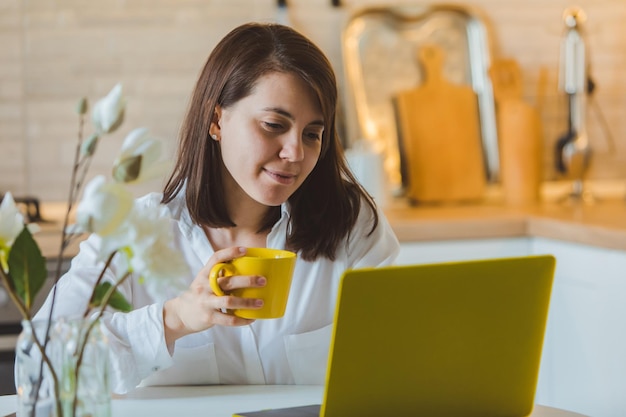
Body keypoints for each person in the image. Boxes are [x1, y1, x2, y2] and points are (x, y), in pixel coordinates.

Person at [35, 22, 400, 394]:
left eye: (312, 134)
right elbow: (39, 370)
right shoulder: (135, 232)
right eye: (274, 124)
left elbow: (397, 362)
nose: (296, 153)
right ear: (216, 121)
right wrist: (173, 319)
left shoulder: (351, 224)